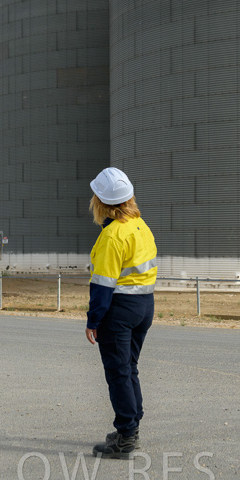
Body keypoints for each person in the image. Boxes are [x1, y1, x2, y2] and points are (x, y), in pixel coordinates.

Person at [84, 167, 157, 460]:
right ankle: (131, 427)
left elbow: (103, 284)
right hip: (144, 305)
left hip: (120, 309)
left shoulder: (112, 235)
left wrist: (93, 320)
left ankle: (126, 437)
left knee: (118, 372)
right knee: (129, 368)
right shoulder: (140, 226)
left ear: (100, 201)